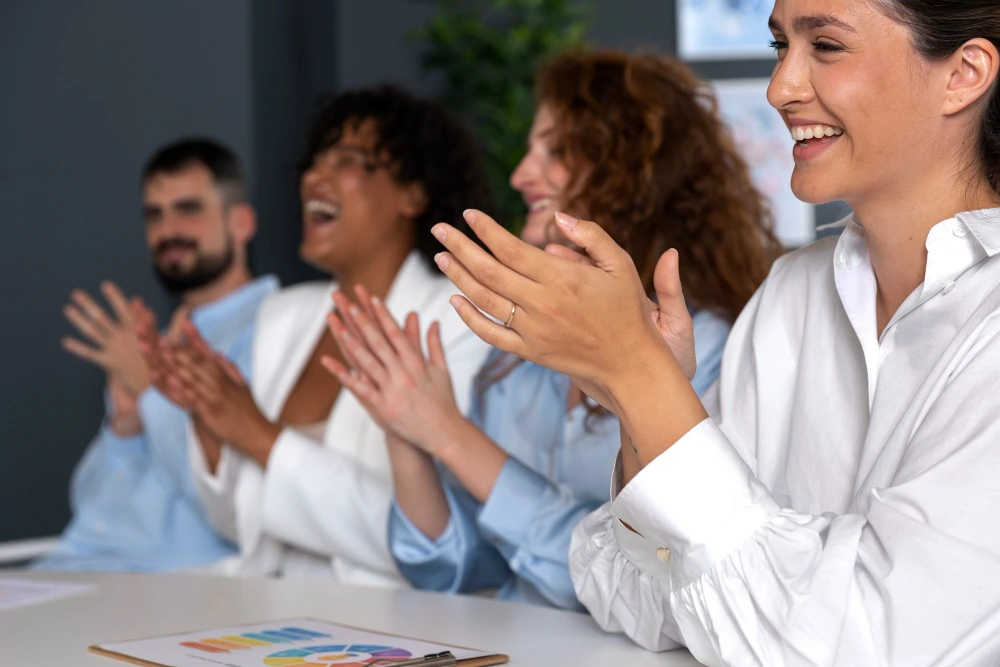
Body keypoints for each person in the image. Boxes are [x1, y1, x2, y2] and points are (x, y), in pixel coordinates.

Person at [422, 0, 1000, 663]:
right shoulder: (792, 294)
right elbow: (626, 592)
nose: (780, 88)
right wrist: (642, 400)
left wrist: (640, 376)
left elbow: (875, 645)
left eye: (827, 46)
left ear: (963, 74)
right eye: (780, 46)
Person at [323, 51, 782, 609]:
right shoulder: (514, 360)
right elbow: (459, 568)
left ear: (634, 169)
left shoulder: (711, 350)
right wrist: (406, 431)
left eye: (556, 151)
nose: (520, 175)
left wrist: (451, 436)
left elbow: (653, 578)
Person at [154, 86, 494, 585]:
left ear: (413, 193)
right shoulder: (284, 315)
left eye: (348, 160)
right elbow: (243, 528)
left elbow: (440, 543)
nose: (313, 176)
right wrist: (212, 420)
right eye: (313, 162)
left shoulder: (463, 319)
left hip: (395, 617)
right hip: (269, 605)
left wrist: (258, 435)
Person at [36, 139, 278, 571]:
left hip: (173, 588)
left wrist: (151, 391)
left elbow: (245, 507)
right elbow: (93, 514)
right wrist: (126, 424)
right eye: (154, 215)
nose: (168, 231)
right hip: (73, 569)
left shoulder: (277, 328)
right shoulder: (157, 341)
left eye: (188, 209)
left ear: (241, 222)